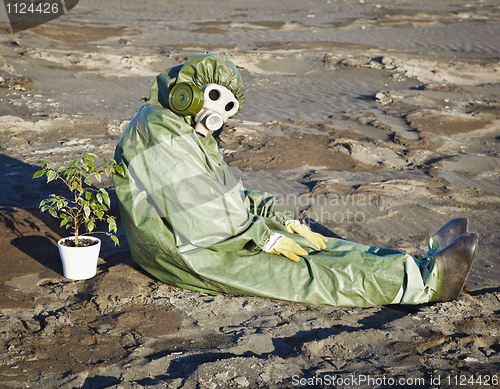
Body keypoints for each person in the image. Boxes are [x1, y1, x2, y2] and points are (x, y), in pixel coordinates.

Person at [113, 53, 478, 307]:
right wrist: (261, 234)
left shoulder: (184, 129)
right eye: (213, 98)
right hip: (194, 253)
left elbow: (220, 194)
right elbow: (202, 219)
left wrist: (273, 218)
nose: (216, 115)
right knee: (309, 274)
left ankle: (420, 265)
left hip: (220, 233)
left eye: (227, 108)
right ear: (186, 89)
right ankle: (429, 283)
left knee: (321, 247)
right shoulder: (159, 131)